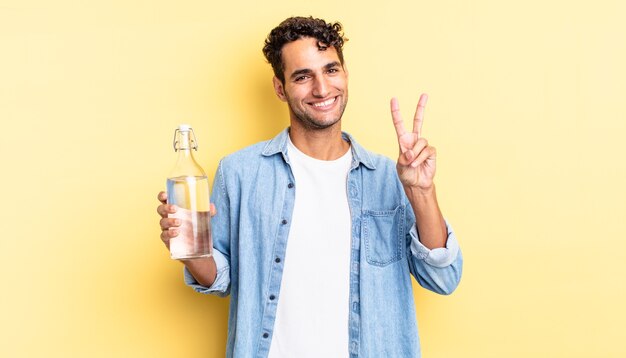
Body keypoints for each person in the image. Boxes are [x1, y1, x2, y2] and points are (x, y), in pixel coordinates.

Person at [157, 16, 462, 358]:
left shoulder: (389, 175)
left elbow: (442, 278)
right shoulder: (240, 172)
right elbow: (221, 277)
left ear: (345, 75)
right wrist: (190, 250)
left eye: (331, 70)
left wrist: (422, 192)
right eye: (303, 77)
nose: (321, 89)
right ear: (279, 87)